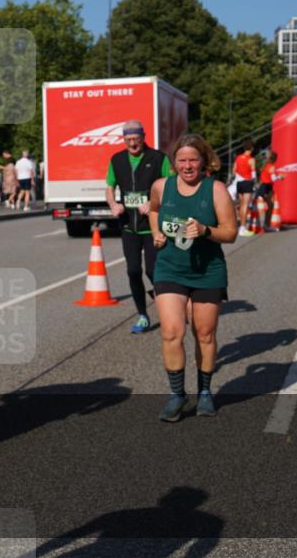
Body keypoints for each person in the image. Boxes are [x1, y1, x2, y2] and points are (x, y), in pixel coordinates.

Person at [148, 134, 237, 422]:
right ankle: (177, 395)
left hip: (207, 270)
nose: (188, 166)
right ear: (174, 162)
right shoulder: (162, 187)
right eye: (182, 160)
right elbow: (153, 210)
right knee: (172, 331)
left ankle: (205, 393)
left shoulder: (216, 190)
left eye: (193, 160)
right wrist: (156, 233)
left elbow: (231, 232)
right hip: (169, 268)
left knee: (205, 334)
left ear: (204, 161)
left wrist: (205, 231)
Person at [105, 119, 173, 333]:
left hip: (152, 226)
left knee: (153, 271)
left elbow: (170, 186)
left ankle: (169, 306)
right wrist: (113, 203)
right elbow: (109, 186)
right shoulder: (117, 160)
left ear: (143, 137)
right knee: (133, 271)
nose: (132, 143)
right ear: (123, 139)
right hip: (129, 226)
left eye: (136, 139)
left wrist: (152, 203)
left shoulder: (158, 158)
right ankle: (142, 314)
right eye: (128, 140)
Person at [251, 150, 282, 231]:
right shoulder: (271, 166)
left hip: (263, 186)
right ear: (275, 159)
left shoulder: (266, 165)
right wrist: (280, 177)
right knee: (270, 205)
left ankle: (263, 224)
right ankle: (266, 224)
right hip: (266, 187)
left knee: (265, 205)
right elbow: (273, 178)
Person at [232, 139, 256, 236]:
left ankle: (241, 227)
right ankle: (242, 228)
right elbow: (254, 174)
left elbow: (234, 171)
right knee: (245, 205)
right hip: (247, 182)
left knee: (241, 205)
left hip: (239, 182)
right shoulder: (251, 159)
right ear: (252, 148)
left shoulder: (238, 158)